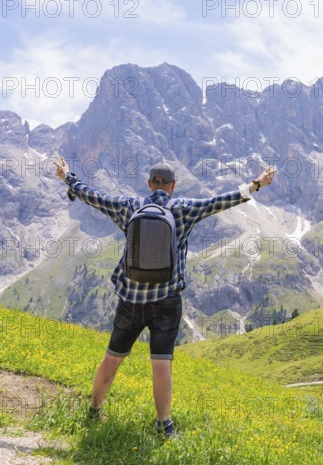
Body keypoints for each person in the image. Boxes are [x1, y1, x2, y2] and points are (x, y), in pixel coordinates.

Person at [53, 157, 276, 437]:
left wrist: (67, 178)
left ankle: (94, 411)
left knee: (113, 357)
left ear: (149, 184)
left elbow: (93, 196)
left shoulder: (129, 206)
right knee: (161, 362)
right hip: (167, 301)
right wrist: (257, 183)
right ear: (173, 186)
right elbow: (222, 201)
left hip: (130, 300)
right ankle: (164, 426)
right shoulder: (183, 209)